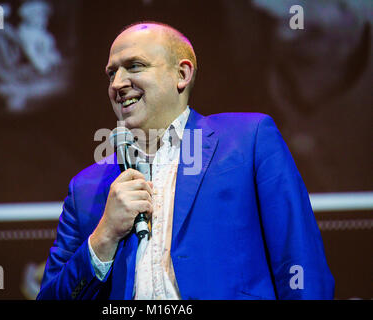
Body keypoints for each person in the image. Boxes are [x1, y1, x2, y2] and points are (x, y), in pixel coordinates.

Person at [37, 21, 334, 300]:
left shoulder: (248, 139)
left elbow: (300, 261)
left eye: (134, 66)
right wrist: (104, 236)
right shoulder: (86, 187)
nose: (117, 83)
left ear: (182, 74)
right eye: (111, 73)